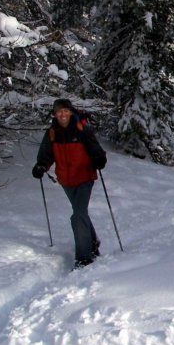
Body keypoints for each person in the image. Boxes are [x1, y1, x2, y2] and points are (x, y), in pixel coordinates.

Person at [32, 99, 107, 267]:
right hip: (66, 181)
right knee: (81, 213)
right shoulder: (52, 133)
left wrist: (99, 159)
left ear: (71, 112)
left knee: (78, 215)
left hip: (85, 177)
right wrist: (41, 166)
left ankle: (84, 258)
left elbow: (96, 149)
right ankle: (93, 243)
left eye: (65, 111)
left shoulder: (82, 130)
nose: (63, 114)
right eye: (59, 112)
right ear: (55, 114)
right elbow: (46, 154)